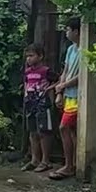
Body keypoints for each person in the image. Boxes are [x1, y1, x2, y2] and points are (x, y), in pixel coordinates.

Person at [49, 17, 82, 181]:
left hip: (77, 95)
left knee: (64, 127)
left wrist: (64, 85)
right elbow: (66, 71)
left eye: (68, 29)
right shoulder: (71, 49)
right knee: (72, 130)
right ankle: (74, 164)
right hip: (68, 94)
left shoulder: (85, 50)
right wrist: (60, 91)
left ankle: (69, 165)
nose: (66, 32)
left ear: (76, 31)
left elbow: (81, 76)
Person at [21, 43, 57, 173]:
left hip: (42, 104)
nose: (28, 59)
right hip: (30, 104)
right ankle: (35, 159)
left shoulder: (46, 71)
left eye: (31, 56)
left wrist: (49, 89)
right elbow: (26, 84)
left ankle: (45, 161)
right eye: (27, 56)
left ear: (40, 56)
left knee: (44, 132)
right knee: (32, 132)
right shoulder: (27, 72)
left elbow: (58, 80)